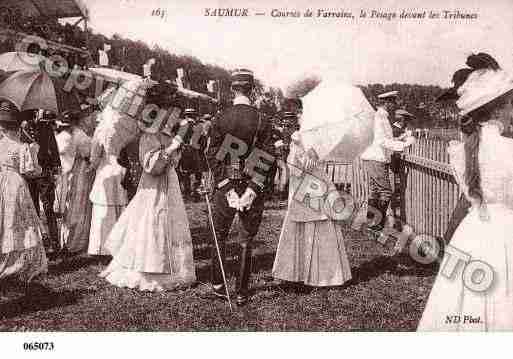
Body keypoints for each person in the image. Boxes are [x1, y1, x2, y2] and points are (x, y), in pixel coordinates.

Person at [418, 53, 513, 331]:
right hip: (505, 234)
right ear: (498, 109)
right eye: (510, 103)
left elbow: (472, 198)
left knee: (462, 301)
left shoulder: (465, 150)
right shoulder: (507, 150)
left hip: (472, 234)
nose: (512, 109)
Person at [100, 95, 196, 291]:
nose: (172, 118)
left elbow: (174, 163)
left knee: (170, 222)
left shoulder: (166, 135)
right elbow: (152, 166)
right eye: (169, 113)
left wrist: (177, 146)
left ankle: (176, 270)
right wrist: (172, 148)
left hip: (170, 184)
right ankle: (150, 272)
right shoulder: (148, 137)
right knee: (153, 221)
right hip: (153, 187)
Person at [207, 68, 274, 306]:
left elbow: (212, 155)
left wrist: (225, 186)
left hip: (225, 184)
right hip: (251, 185)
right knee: (246, 239)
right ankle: (242, 290)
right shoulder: (262, 120)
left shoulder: (220, 118)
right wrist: (252, 189)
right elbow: (267, 156)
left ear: (233, 89)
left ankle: (218, 283)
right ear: (252, 89)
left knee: (220, 235)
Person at [272, 129, 352, 287]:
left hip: (311, 185)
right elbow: (295, 167)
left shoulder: (312, 137)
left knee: (318, 223)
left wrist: (297, 149)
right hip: (304, 186)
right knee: (301, 224)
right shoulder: (304, 135)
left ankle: (323, 274)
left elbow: (303, 166)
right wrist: (289, 150)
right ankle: (297, 272)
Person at [87, 83, 142, 257]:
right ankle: (122, 244)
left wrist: (92, 164)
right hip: (124, 167)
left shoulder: (103, 126)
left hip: (106, 168)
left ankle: (102, 247)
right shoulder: (131, 124)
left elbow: (95, 153)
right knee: (122, 207)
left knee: (104, 209)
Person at [0, 100, 47, 294]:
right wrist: (35, 156)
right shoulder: (22, 147)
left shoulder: (4, 144)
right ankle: (17, 264)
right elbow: (31, 172)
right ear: (16, 126)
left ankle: (6, 260)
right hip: (15, 184)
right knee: (19, 222)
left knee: (5, 221)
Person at [360, 91, 415, 231]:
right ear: (387, 103)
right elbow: (381, 140)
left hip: (373, 157)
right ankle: (376, 225)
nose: (394, 106)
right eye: (393, 103)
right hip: (376, 158)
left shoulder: (380, 116)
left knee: (375, 191)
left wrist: (399, 139)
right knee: (386, 192)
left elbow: (385, 139)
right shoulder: (380, 118)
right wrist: (403, 145)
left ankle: (371, 222)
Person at [21, 110, 62, 258]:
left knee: (37, 209)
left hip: (32, 173)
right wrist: (56, 165)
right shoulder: (44, 128)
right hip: (42, 172)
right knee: (46, 208)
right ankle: (52, 243)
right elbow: (54, 148)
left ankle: (41, 243)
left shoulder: (22, 130)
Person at [55, 111, 93, 256]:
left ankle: (69, 241)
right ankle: (70, 241)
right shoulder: (76, 135)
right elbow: (88, 154)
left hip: (72, 171)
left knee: (72, 206)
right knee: (74, 205)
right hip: (74, 171)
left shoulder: (68, 135)